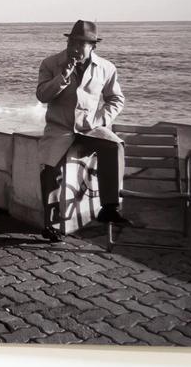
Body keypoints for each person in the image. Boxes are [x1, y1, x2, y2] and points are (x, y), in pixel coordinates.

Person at [36, 20, 129, 242]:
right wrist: (63, 77)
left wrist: (100, 119)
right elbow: (42, 95)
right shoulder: (51, 63)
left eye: (81, 43)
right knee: (49, 169)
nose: (75, 47)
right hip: (60, 128)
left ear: (92, 46)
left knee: (114, 146)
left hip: (90, 129)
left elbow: (116, 99)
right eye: (72, 42)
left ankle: (109, 207)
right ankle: (50, 224)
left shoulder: (106, 68)